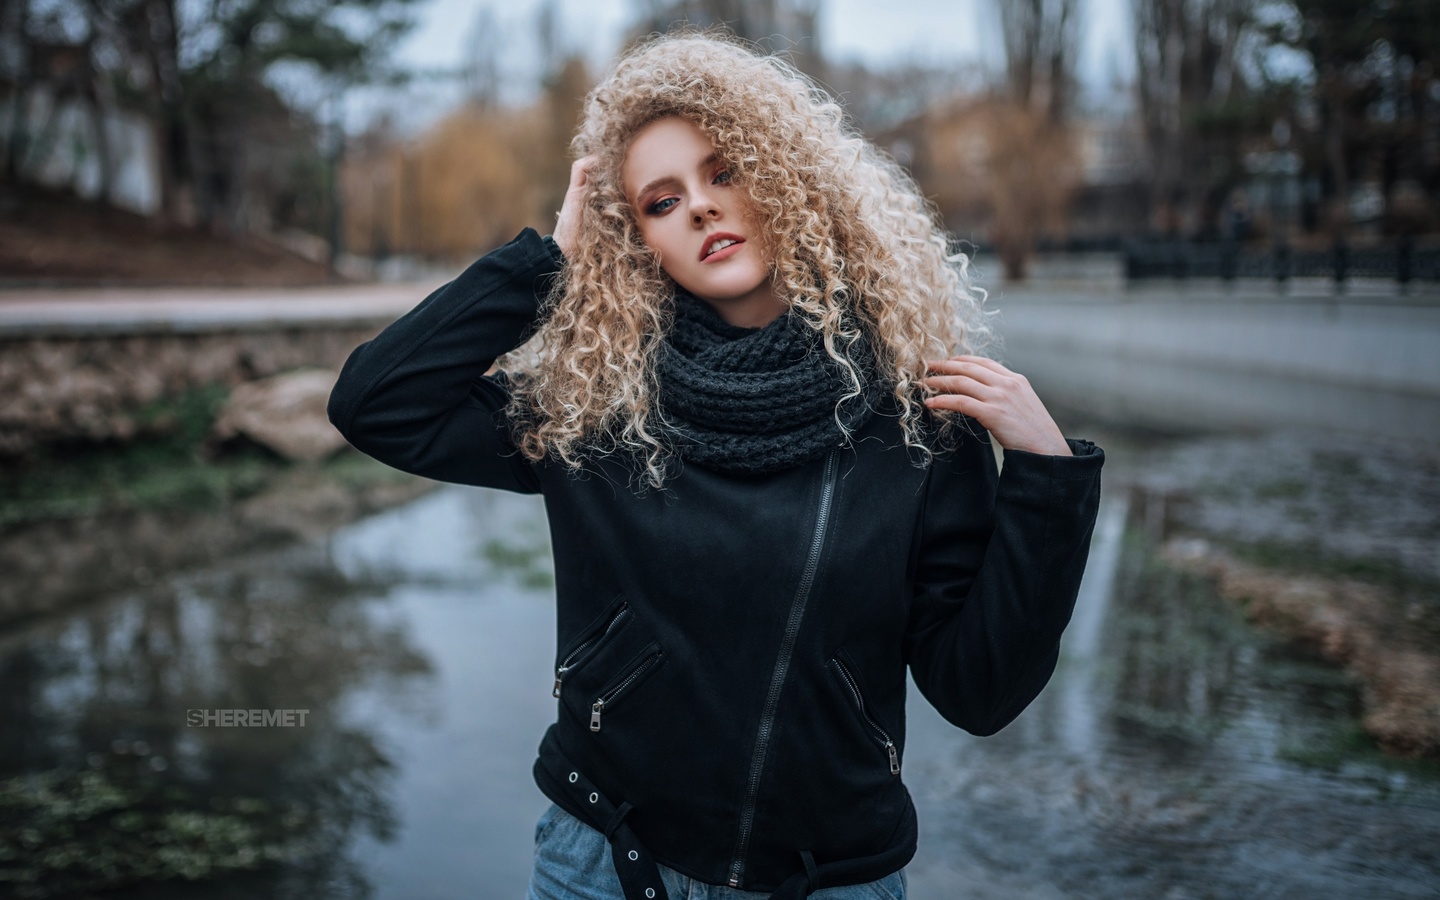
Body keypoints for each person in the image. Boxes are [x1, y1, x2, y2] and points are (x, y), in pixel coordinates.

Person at [328, 33, 1103, 900]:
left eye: (724, 170)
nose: (699, 207)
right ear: (637, 241)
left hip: (830, 881)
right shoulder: (598, 407)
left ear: (788, 177)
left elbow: (980, 691)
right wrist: (545, 264)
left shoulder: (919, 420)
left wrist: (1045, 475)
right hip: (605, 865)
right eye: (661, 201)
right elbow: (377, 405)